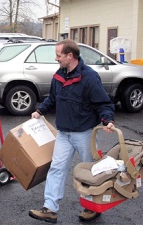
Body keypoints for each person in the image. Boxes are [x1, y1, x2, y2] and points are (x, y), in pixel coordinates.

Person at [28, 39, 115, 223]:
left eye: (59, 55)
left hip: (85, 134)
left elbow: (103, 103)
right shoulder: (59, 76)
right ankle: (50, 208)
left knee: (91, 171)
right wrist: (39, 111)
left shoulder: (89, 78)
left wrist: (108, 120)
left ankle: (92, 208)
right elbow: (52, 98)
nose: (56, 58)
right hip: (63, 133)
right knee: (56, 168)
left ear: (70, 55)